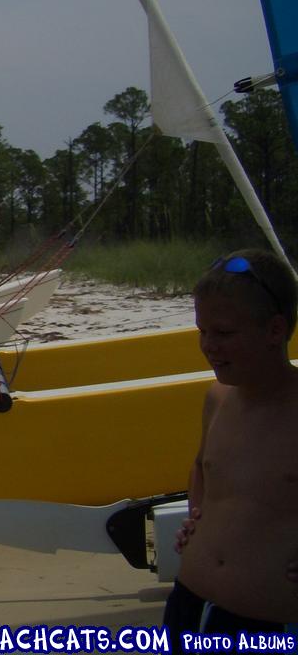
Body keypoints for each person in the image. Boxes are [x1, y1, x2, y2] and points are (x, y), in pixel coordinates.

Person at [164, 249, 298, 651]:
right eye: (202, 331)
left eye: (223, 334)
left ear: (275, 330)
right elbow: (203, 466)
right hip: (189, 602)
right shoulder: (218, 398)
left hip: (265, 623)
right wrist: (197, 515)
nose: (208, 346)